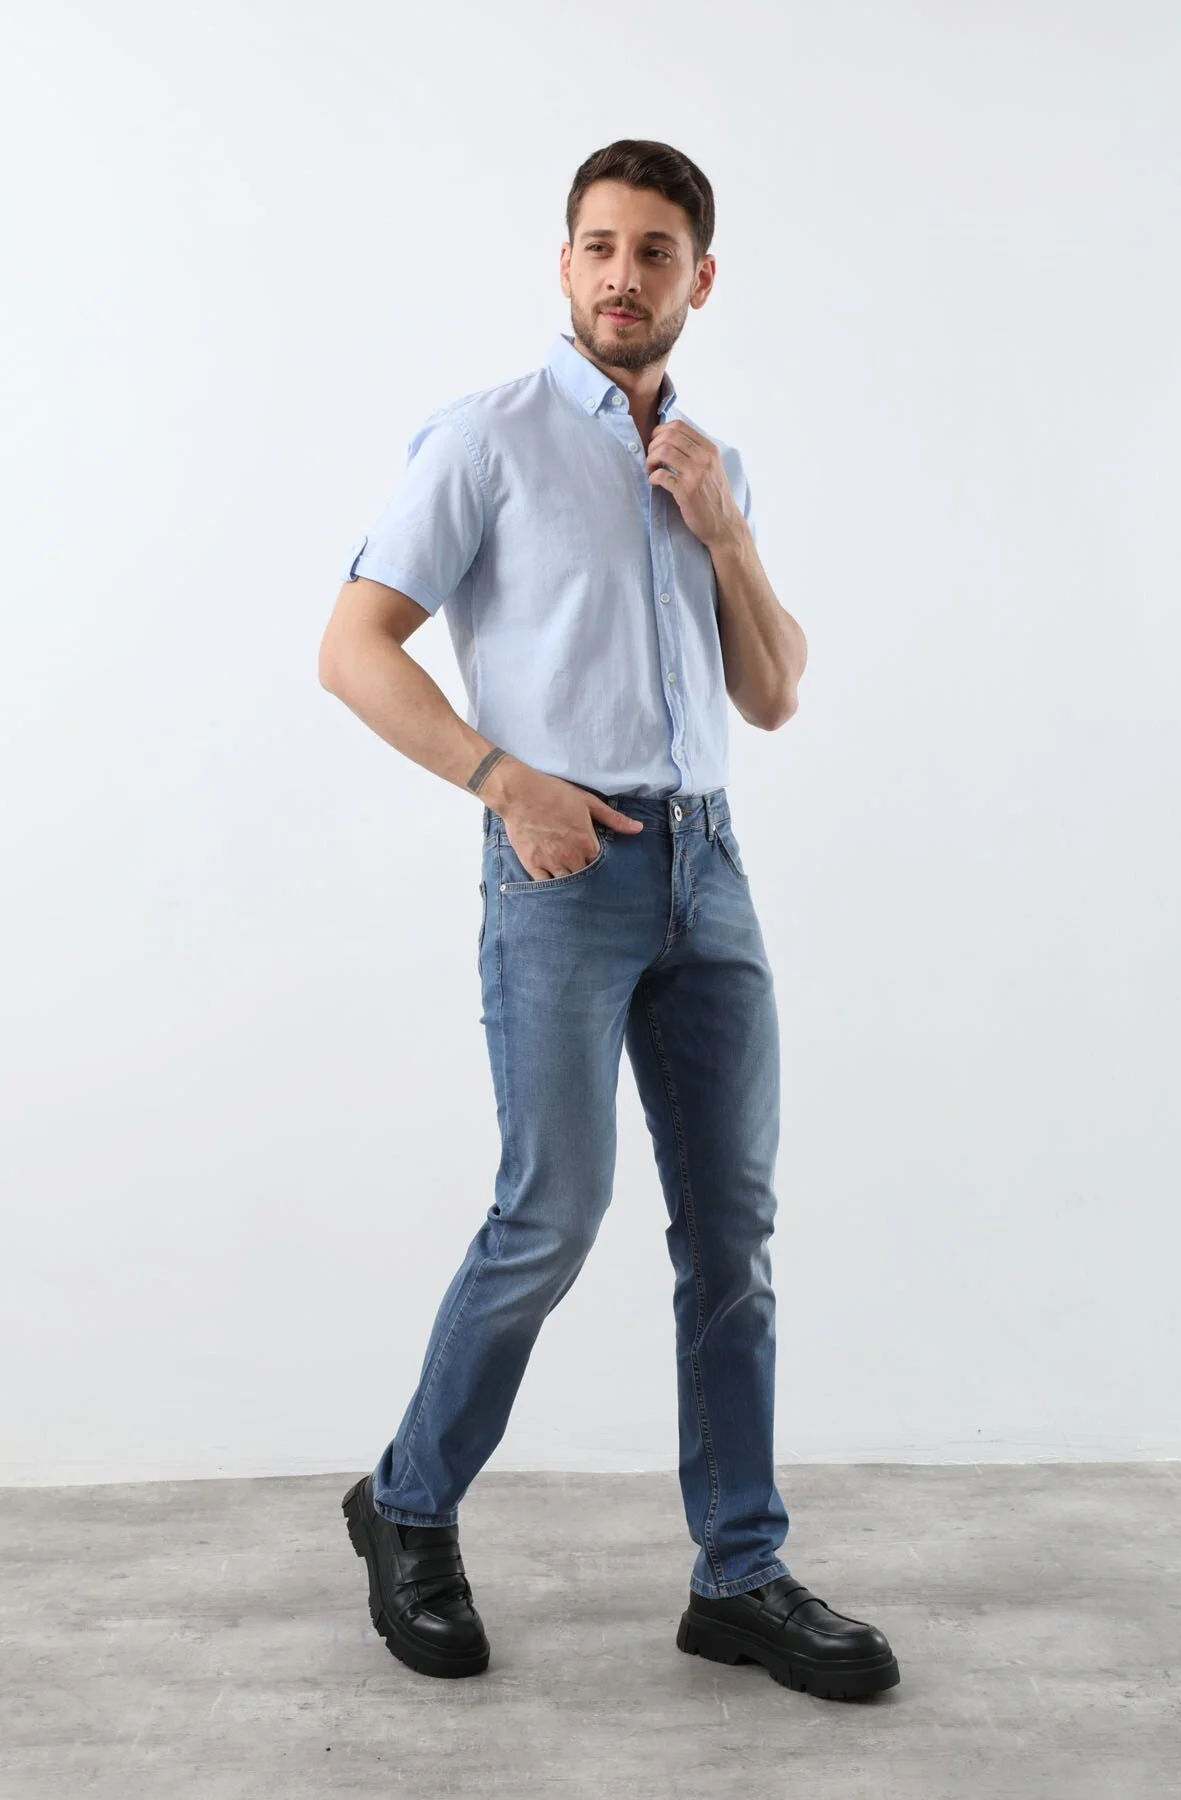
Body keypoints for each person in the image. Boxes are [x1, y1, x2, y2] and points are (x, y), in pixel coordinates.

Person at [319, 138, 899, 1702]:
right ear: (564, 264)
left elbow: (772, 694)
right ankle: (410, 1505)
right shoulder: (488, 439)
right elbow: (354, 647)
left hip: (710, 872)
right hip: (563, 877)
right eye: (598, 245)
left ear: (700, 278)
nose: (623, 276)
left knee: (733, 1238)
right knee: (551, 1214)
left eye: (654, 251)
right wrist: (504, 780)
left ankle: (741, 1573)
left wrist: (724, 528)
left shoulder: (711, 462)